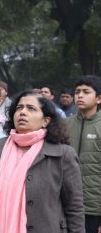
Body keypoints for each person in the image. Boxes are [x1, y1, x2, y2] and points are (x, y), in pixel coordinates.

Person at [0, 90, 84, 233]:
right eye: (19, 108)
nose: (23, 112)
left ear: (45, 121)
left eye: (31, 108)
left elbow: (74, 207)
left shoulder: (63, 154)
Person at [66, 75, 101, 233]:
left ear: (98, 99)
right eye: (77, 91)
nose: (80, 95)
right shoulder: (64, 125)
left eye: (86, 92)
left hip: (94, 209)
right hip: (65, 205)